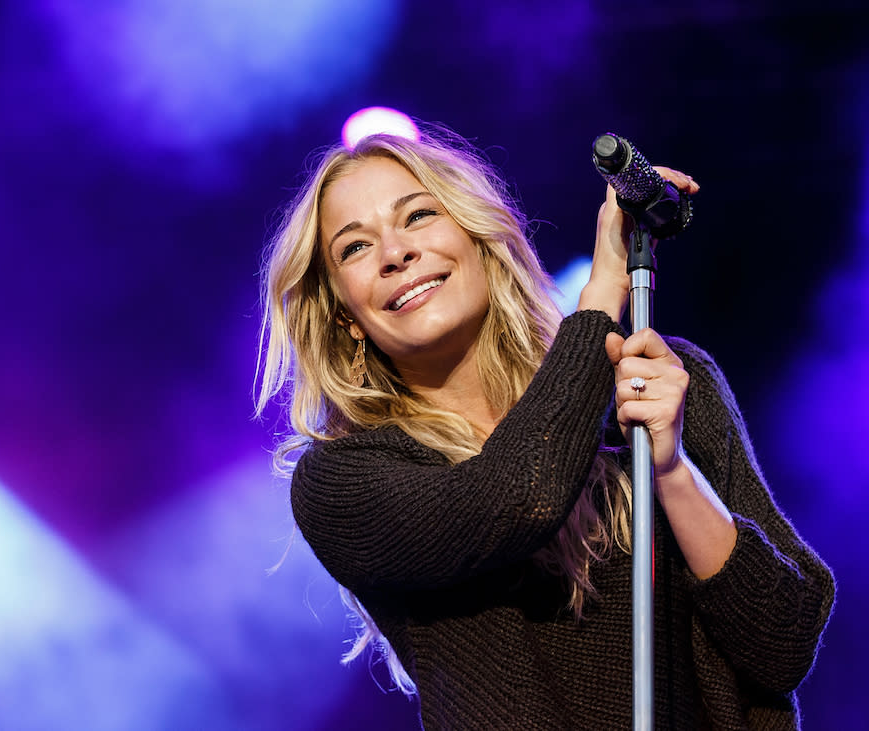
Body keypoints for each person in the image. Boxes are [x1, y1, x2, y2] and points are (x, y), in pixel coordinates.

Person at [255, 126, 834, 729]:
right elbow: (520, 497)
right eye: (354, 248)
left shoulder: (657, 383)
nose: (395, 253)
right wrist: (602, 292)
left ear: (479, 237)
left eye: (419, 215)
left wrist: (670, 471)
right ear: (345, 315)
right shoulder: (343, 482)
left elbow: (783, 645)